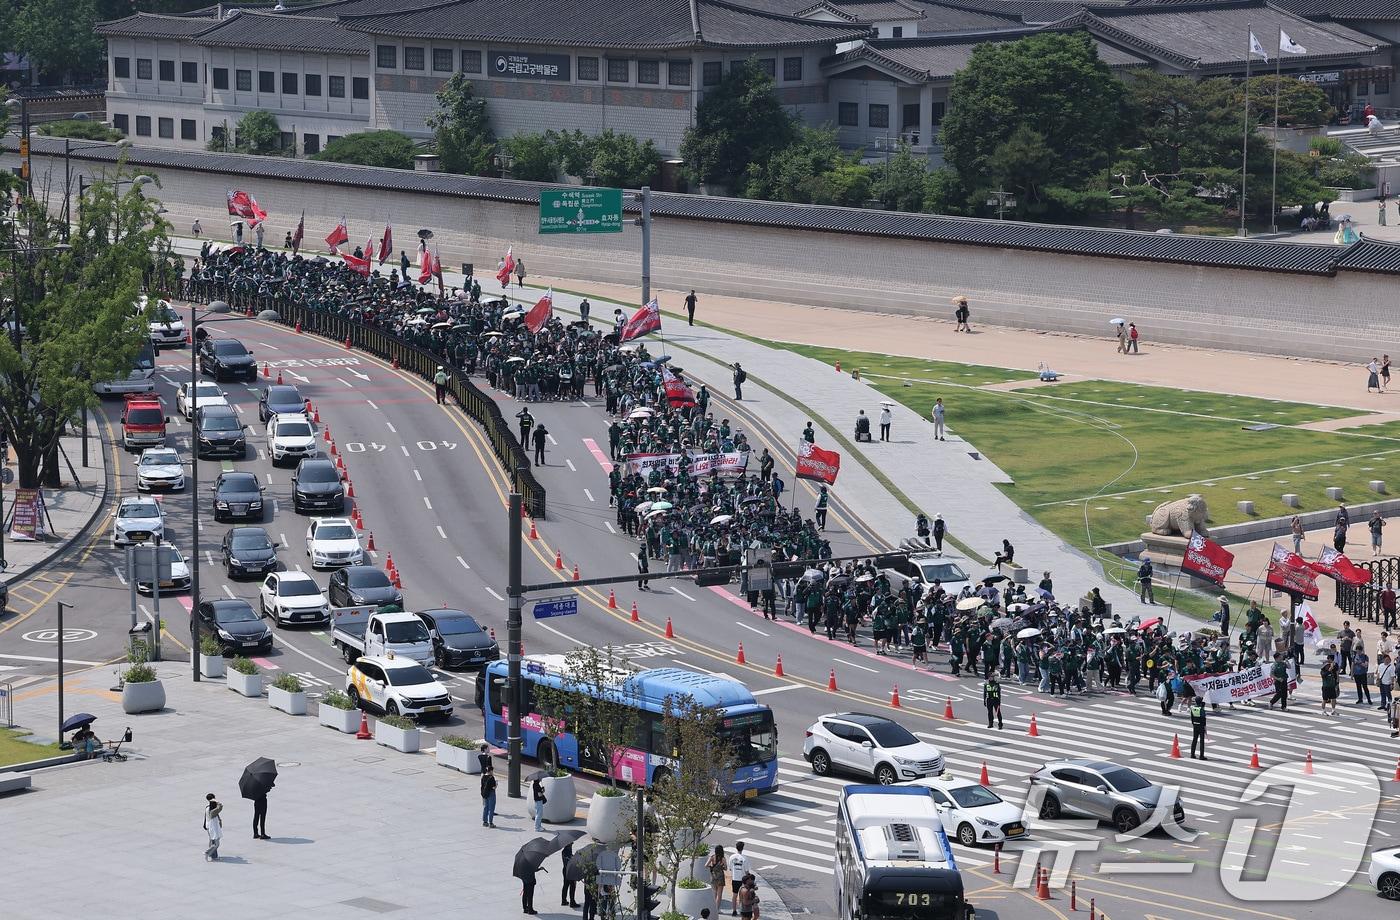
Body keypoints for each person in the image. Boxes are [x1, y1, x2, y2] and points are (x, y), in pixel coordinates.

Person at [727, 842, 749, 915]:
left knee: (734, 895)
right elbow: (746, 871)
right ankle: (742, 910)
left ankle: (734, 910)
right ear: (743, 848)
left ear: (736, 848)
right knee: (742, 896)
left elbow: (730, 868)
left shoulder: (731, 857)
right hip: (742, 880)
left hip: (734, 879)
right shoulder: (745, 858)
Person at [705, 845, 727, 917]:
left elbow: (706, 865)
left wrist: (711, 867)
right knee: (719, 894)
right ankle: (717, 909)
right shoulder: (723, 859)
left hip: (713, 876)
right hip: (720, 877)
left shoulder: (712, 857)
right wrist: (721, 867)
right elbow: (726, 868)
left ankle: (713, 908)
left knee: (714, 893)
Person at [203, 793, 224, 861]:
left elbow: (205, 817)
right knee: (216, 843)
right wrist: (217, 801)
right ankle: (208, 853)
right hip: (213, 828)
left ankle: (213, 856)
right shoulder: (213, 811)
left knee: (212, 842)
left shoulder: (207, 808)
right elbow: (221, 806)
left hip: (208, 826)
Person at [1188, 695, 1207, 759]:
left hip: (1195, 725)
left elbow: (1192, 718)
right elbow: (1203, 719)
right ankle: (1201, 755)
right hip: (1201, 726)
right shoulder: (1201, 709)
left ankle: (1192, 754)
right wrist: (1204, 727)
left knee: (1194, 739)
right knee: (1202, 741)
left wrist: (1193, 724)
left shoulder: (1193, 708)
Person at [561, 843, 578, 908]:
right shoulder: (567, 851)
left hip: (565, 870)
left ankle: (563, 900)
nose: (572, 844)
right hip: (570, 871)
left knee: (565, 885)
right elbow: (569, 861)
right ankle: (572, 902)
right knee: (572, 886)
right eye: (571, 843)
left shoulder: (564, 851)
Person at [481, 763, 498, 827]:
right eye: (492, 771)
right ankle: (491, 823)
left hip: (485, 794)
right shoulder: (491, 778)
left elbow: (482, 785)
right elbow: (493, 787)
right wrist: (496, 784)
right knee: (491, 808)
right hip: (491, 793)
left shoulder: (483, 777)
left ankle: (485, 822)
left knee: (486, 807)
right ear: (490, 771)